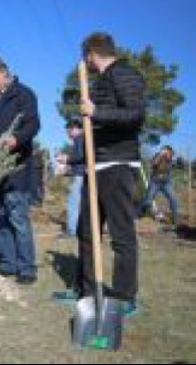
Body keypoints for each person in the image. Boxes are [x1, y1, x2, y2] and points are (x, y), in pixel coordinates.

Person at [73, 32, 145, 316]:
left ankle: (125, 296)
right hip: (96, 165)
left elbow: (136, 115)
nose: (85, 63)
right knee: (87, 232)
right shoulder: (103, 80)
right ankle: (88, 292)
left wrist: (96, 112)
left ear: (92, 53)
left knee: (121, 234)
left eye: (85, 57)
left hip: (118, 164)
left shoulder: (124, 74)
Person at [0, 55, 41, 285]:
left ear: (2, 71)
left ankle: (26, 268)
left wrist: (16, 139)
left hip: (16, 168)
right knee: (0, 217)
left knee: (17, 217)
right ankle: (8, 264)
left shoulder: (23, 94)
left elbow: (33, 124)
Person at [56, 118, 85, 238]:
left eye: (68, 131)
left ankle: (71, 231)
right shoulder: (82, 139)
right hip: (81, 174)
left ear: (74, 129)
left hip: (80, 176)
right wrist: (67, 170)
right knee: (79, 204)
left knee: (73, 203)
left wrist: (66, 159)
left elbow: (80, 156)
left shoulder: (80, 139)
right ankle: (80, 229)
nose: (67, 134)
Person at [141, 145, 179, 227]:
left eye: (169, 152)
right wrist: (161, 154)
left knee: (173, 200)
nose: (169, 154)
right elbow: (154, 163)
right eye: (167, 152)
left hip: (166, 183)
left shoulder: (170, 158)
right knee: (148, 200)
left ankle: (175, 219)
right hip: (155, 182)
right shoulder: (157, 156)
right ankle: (143, 210)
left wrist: (169, 156)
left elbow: (172, 164)